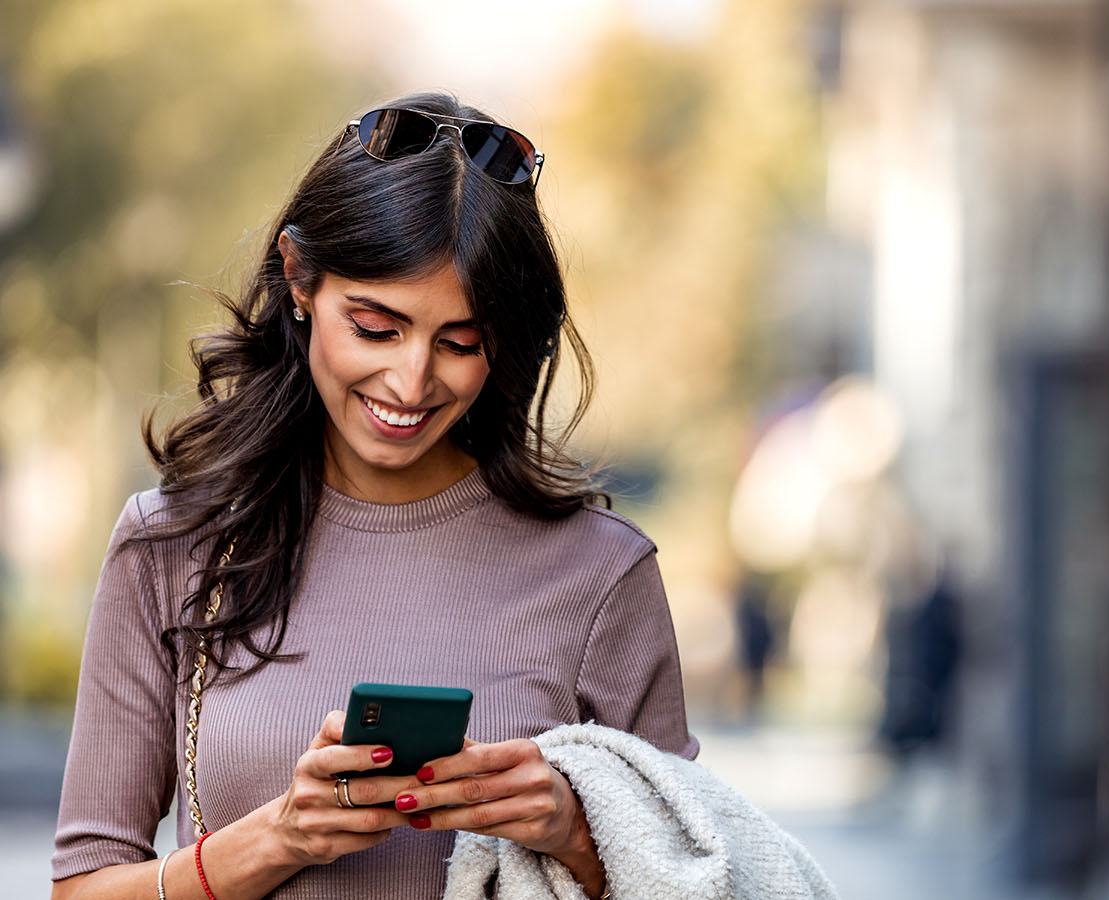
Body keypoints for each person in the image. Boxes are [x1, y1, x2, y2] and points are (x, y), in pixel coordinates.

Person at [50, 92, 697, 900]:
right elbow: (82, 887)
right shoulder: (173, 544)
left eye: (461, 343)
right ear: (299, 279)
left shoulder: (602, 575)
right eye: (375, 327)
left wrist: (573, 830)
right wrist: (274, 839)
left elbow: (695, 874)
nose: (412, 380)